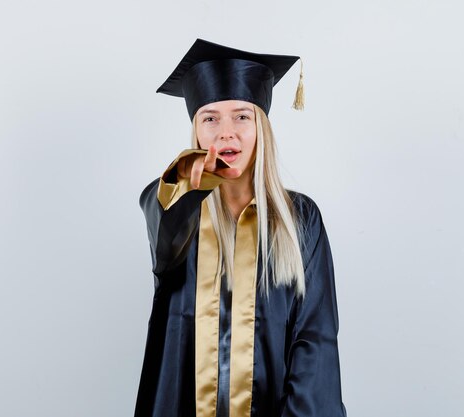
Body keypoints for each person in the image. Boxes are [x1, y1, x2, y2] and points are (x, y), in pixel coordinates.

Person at [135, 39, 347, 417]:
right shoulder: (179, 213)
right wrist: (188, 177)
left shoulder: (300, 219)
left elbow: (314, 341)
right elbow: (160, 214)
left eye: (242, 116)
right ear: (196, 131)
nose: (226, 132)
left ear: (261, 127)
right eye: (210, 118)